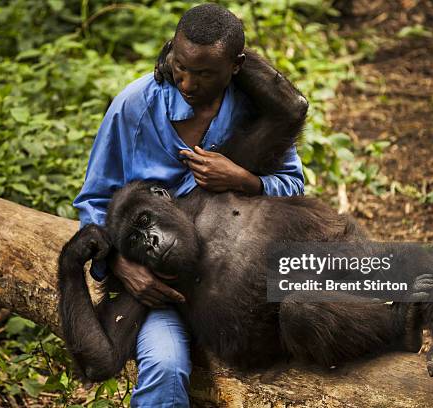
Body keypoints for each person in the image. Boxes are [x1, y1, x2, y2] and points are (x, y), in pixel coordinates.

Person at [73, 4, 305, 407]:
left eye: (203, 73)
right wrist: (118, 265)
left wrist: (243, 180)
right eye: (180, 66)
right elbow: (94, 201)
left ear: (235, 67)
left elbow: (293, 185)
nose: (186, 82)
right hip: (158, 286)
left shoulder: (251, 108)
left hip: (233, 273)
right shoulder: (135, 106)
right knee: (164, 367)